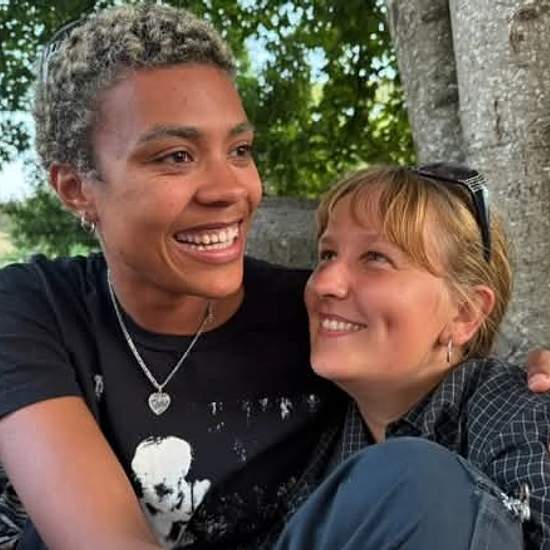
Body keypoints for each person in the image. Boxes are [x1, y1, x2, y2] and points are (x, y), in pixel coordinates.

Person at [0, 4, 548, 549]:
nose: (229, 188)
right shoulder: (37, 309)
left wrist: (531, 378)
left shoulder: (321, 325)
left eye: (240, 149)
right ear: (76, 188)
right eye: (175, 156)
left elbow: (447, 358)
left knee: (421, 485)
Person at [271, 164, 550, 549]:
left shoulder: (519, 415)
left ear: (464, 313)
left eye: (375, 258)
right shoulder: (316, 440)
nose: (323, 283)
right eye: (327, 254)